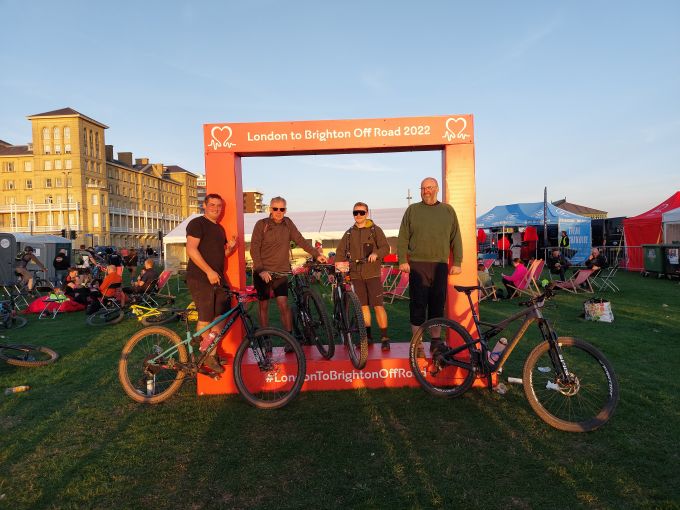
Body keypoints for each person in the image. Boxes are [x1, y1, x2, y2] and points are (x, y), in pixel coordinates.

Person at [397, 177, 463, 357]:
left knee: (437, 304)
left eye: (429, 187)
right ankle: (417, 345)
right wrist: (402, 259)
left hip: (440, 265)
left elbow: (456, 237)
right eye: (423, 188)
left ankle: (435, 342)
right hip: (417, 264)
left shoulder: (448, 210)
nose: (426, 191)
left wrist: (457, 262)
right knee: (417, 304)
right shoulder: (412, 210)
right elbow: (403, 237)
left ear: (437, 189)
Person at [250, 196, 326, 352]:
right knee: (263, 306)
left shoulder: (288, 223)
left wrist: (316, 254)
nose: (278, 212)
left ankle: (289, 339)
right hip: (263, 272)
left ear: (285, 210)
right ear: (270, 209)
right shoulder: (262, 224)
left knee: (283, 304)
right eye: (275, 209)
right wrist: (261, 270)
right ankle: (266, 339)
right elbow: (254, 248)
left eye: (282, 209)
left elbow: (300, 240)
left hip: (281, 271)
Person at [185, 193, 238, 374]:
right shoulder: (197, 223)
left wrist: (230, 249)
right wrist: (208, 271)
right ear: (205, 206)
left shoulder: (219, 229)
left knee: (221, 316)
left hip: (217, 277)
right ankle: (208, 354)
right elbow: (191, 249)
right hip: (200, 277)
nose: (216, 208)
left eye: (219, 206)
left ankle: (210, 351)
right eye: (212, 205)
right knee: (205, 318)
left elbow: (221, 254)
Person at [335, 202, 391, 351]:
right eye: (356, 212)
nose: (358, 215)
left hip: (372, 274)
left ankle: (385, 337)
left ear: (367, 213)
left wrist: (376, 253)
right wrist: (338, 268)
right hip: (355, 275)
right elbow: (340, 252)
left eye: (361, 212)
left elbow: (386, 247)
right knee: (363, 307)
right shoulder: (349, 233)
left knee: (378, 306)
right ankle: (368, 337)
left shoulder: (375, 230)